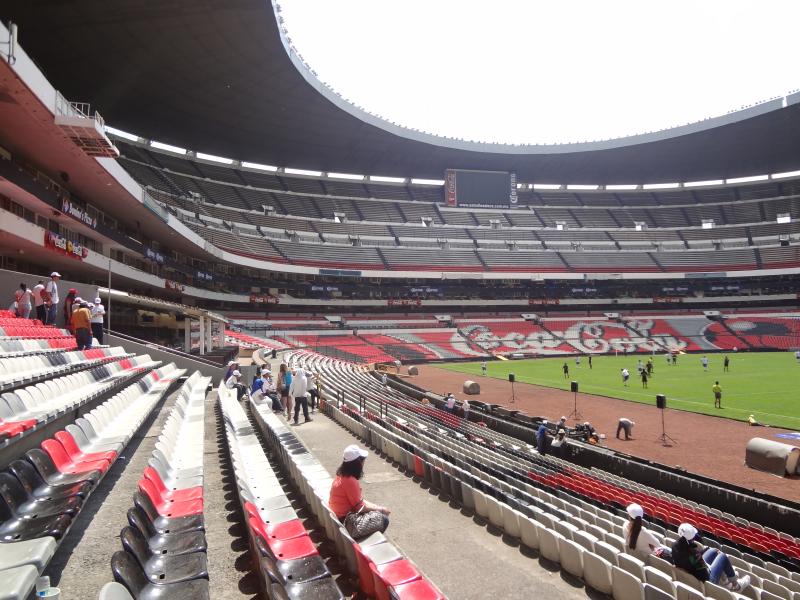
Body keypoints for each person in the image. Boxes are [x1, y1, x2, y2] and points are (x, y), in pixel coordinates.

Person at [328, 444, 390, 540]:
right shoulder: (350, 481)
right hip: (347, 522)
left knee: (378, 513)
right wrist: (381, 510)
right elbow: (360, 508)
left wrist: (377, 507)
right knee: (383, 519)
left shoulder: (341, 476)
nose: (363, 463)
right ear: (357, 463)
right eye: (362, 461)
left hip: (340, 517)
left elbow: (359, 501)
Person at [672, 523, 750, 592]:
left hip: (693, 569)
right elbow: (704, 574)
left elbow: (690, 560)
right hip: (708, 580)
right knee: (722, 556)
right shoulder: (693, 554)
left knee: (713, 551)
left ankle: (726, 581)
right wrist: (705, 562)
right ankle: (736, 586)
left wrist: (702, 553)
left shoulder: (675, 546)